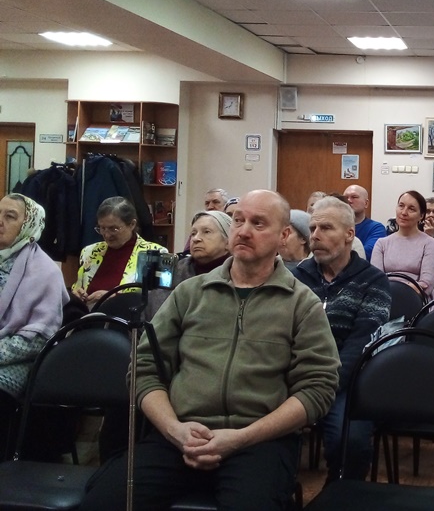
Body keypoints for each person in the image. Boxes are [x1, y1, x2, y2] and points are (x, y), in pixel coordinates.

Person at [80, 190, 340, 510]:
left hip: (258, 441)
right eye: (238, 221)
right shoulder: (188, 292)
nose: (244, 231)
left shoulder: (302, 303)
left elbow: (318, 387)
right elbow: (145, 368)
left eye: (258, 223)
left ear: (284, 235)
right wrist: (174, 429)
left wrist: (241, 437)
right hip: (179, 433)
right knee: (103, 501)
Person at [291, 197, 391, 482]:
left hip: (345, 379)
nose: (315, 236)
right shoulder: (295, 278)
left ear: (349, 234)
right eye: (312, 228)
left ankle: (340, 493)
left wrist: (325, 384)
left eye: (326, 228)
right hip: (292, 375)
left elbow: (362, 342)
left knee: (350, 440)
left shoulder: (373, 280)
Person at [0, 194, 68, 454]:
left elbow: (40, 337)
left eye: (10, 216)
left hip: (19, 363)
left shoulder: (44, 271)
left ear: (28, 225)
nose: (0, 221)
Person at [71, 196, 167, 308]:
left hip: (129, 317)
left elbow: (159, 300)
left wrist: (114, 297)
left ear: (132, 224)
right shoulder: (89, 252)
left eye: (113, 229)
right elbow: (78, 287)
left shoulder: (155, 254)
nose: (107, 235)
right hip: (89, 317)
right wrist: (76, 294)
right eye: (102, 228)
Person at [371, 191, 434, 300]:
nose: (404, 212)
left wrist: (399, 292)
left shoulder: (430, 243)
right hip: (384, 297)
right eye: (401, 206)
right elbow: (375, 280)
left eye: (411, 209)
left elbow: (426, 284)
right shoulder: (382, 243)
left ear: (421, 216)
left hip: (417, 299)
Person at [171, 210, 232, 288]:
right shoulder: (175, 271)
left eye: (206, 232)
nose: (195, 239)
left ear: (228, 241)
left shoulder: (239, 275)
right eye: (193, 233)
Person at [343, 185, 385, 261]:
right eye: (345, 198)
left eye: (354, 197)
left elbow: (365, 254)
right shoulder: (334, 227)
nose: (349, 200)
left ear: (366, 203)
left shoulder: (376, 228)